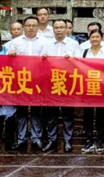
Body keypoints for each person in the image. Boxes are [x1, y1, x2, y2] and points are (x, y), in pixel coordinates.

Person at [40, 19, 80, 152]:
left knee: (68, 114)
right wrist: (43, 58)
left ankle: (68, 141)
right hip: (51, 82)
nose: (59, 30)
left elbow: (80, 61)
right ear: (53, 29)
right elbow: (39, 62)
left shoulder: (74, 44)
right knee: (51, 114)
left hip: (67, 82)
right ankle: (52, 140)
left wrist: (71, 59)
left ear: (66, 29)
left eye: (61, 27)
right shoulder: (46, 44)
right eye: (56, 27)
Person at [8, 16, 45, 151]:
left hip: (37, 80)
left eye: (34, 25)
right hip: (20, 80)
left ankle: (36, 138)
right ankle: (21, 139)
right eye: (28, 25)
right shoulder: (15, 42)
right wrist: (10, 55)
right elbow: (7, 61)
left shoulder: (44, 42)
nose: (31, 28)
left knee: (36, 111)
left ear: (37, 27)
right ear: (24, 27)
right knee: (21, 111)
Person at [76, 28, 104, 154]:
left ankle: (99, 139)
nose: (95, 39)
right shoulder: (84, 52)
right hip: (88, 86)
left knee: (101, 114)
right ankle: (88, 139)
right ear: (89, 38)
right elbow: (78, 66)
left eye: (97, 37)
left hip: (103, 86)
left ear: (102, 38)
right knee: (88, 114)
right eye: (92, 37)